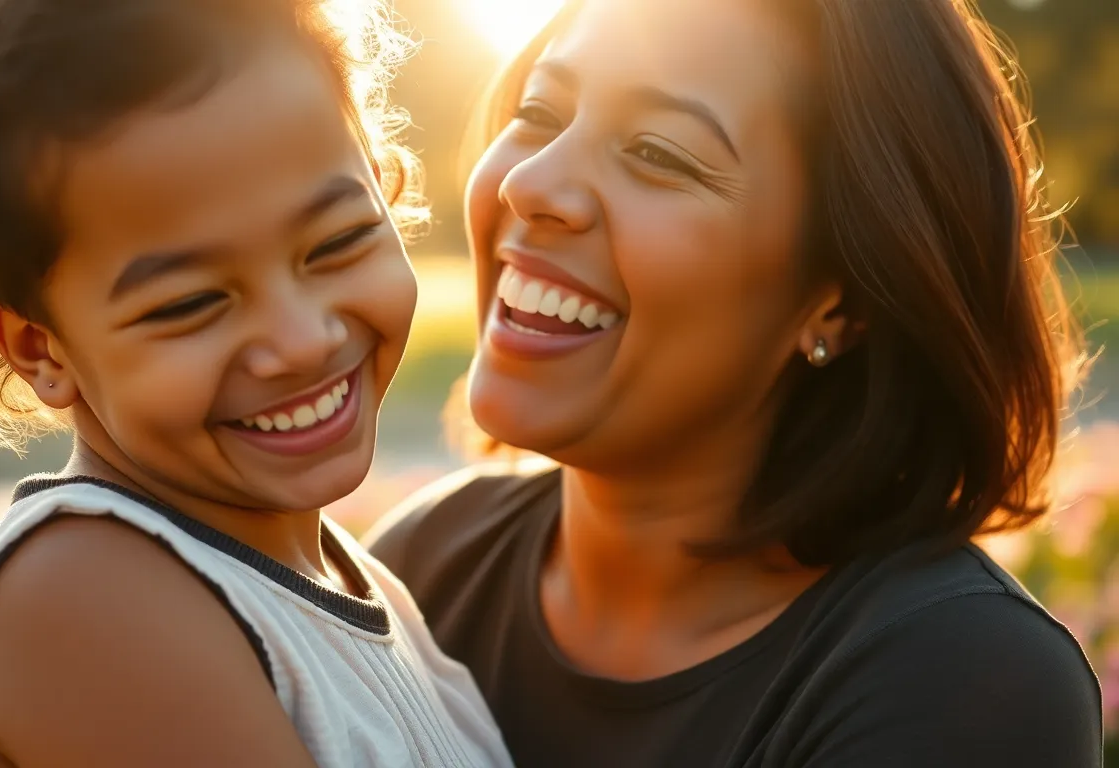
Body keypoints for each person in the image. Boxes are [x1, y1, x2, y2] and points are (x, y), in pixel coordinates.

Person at [366, 0, 1103, 765]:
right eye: (540, 112)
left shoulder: (959, 681)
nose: (530, 181)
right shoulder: (425, 568)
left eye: (656, 152)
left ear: (841, 299)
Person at [0, 0, 513, 765]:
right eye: (192, 303)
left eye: (337, 242)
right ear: (39, 348)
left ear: (387, 187)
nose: (302, 342)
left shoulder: (352, 585)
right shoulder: (85, 598)